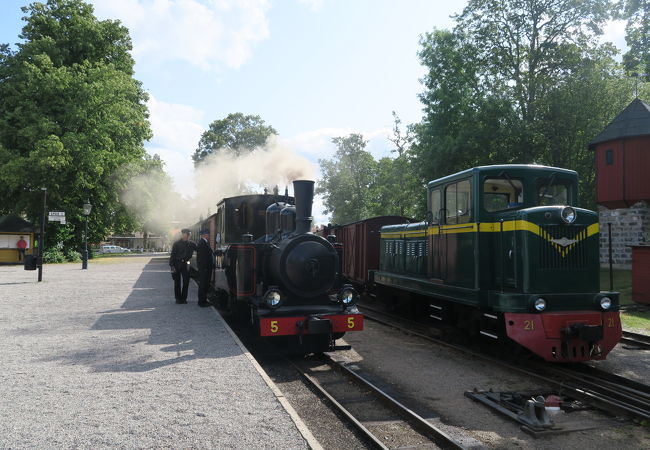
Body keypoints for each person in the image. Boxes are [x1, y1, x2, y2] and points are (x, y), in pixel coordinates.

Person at [169, 229, 197, 304]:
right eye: (186, 234)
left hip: (186, 263)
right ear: (183, 234)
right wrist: (172, 266)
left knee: (186, 282)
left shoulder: (192, 244)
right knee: (177, 282)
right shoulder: (176, 243)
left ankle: (184, 299)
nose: (187, 236)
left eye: (188, 235)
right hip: (177, 263)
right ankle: (178, 299)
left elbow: (199, 249)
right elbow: (173, 255)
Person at [196, 229, 215, 307]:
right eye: (208, 234)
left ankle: (203, 300)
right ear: (204, 235)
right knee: (203, 285)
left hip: (206, 268)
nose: (209, 236)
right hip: (205, 268)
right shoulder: (202, 244)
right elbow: (202, 258)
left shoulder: (204, 243)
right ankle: (202, 302)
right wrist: (205, 268)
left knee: (205, 284)